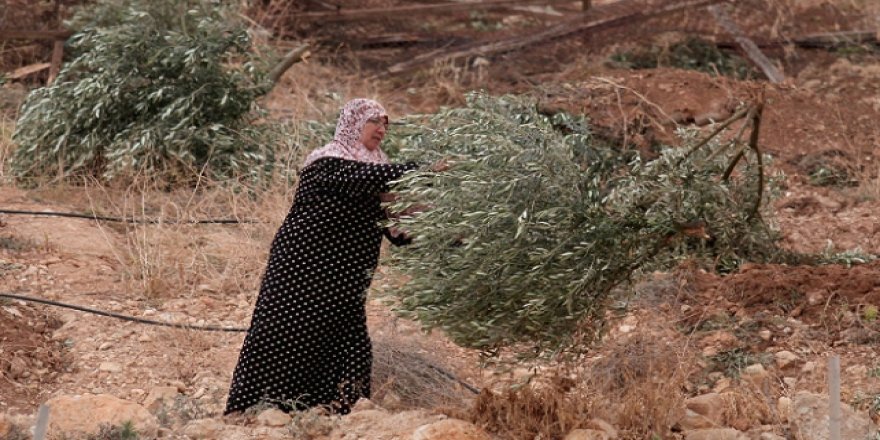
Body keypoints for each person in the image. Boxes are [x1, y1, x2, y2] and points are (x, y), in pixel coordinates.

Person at [224, 98, 426, 415]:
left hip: (346, 275)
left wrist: (446, 229)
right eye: (375, 121)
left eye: (386, 124)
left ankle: (342, 410)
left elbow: (398, 224)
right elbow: (360, 178)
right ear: (354, 124)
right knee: (285, 332)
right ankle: (255, 411)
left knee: (349, 338)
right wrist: (423, 170)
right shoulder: (327, 162)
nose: (382, 129)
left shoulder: (379, 168)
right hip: (301, 267)